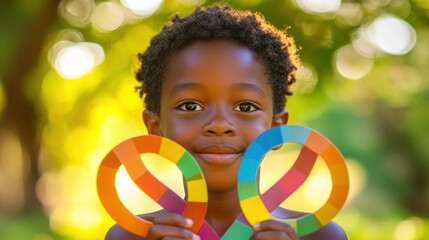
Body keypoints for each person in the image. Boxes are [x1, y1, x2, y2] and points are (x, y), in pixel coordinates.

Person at [105, 4, 347, 240]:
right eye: (190, 106)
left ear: (276, 128)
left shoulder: (322, 236)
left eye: (246, 107)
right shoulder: (128, 236)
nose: (219, 124)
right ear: (155, 127)